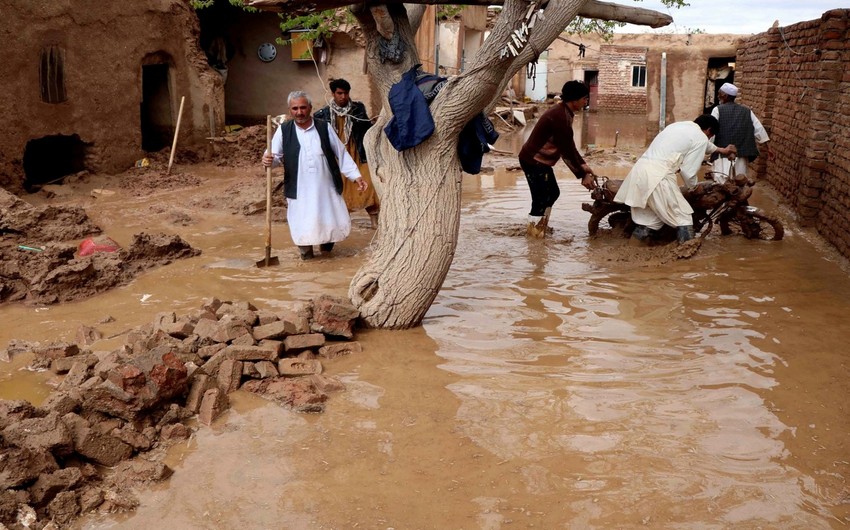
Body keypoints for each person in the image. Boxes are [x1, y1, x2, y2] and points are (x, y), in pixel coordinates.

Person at [261, 91, 368, 260]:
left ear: (310, 108)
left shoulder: (324, 127)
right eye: (295, 108)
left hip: (326, 187)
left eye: (303, 107)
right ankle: (307, 256)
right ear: (290, 110)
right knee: (302, 222)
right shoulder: (283, 131)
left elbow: (341, 153)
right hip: (299, 188)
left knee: (328, 221)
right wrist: (268, 160)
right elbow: (273, 159)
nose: (299, 112)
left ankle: (326, 254)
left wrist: (356, 176)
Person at [613, 115, 737, 244]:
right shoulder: (700, 137)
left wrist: (722, 150)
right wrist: (694, 187)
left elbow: (704, 145)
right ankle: (686, 257)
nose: (708, 139)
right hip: (659, 177)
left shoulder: (677, 126)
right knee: (684, 218)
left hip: (639, 172)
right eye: (710, 136)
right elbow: (688, 172)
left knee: (649, 221)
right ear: (709, 130)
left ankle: (631, 253)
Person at [518, 80, 596, 238]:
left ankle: (541, 227)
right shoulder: (560, 116)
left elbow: (569, 145)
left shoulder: (564, 112)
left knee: (552, 193)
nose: (586, 101)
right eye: (584, 98)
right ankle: (534, 236)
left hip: (540, 162)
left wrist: (583, 165)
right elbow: (566, 151)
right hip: (534, 161)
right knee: (540, 199)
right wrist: (582, 175)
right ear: (574, 100)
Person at [314, 79, 381, 229]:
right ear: (333, 93)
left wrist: (374, 125)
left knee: (368, 184)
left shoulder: (358, 109)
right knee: (340, 189)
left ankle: (374, 221)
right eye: (339, 93)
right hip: (336, 157)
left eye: (346, 93)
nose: (343, 96)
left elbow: (366, 129)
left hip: (357, 153)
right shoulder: (322, 114)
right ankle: (343, 224)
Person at [710, 82, 770, 183]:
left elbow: (712, 131)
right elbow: (759, 130)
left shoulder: (717, 110)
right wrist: (768, 147)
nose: (718, 96)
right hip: (741, 154)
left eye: (719, 93)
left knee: (721, 182)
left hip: (722, 153)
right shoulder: (747, 111)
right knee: (739, 181)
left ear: (725, 95)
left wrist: (709, 147)